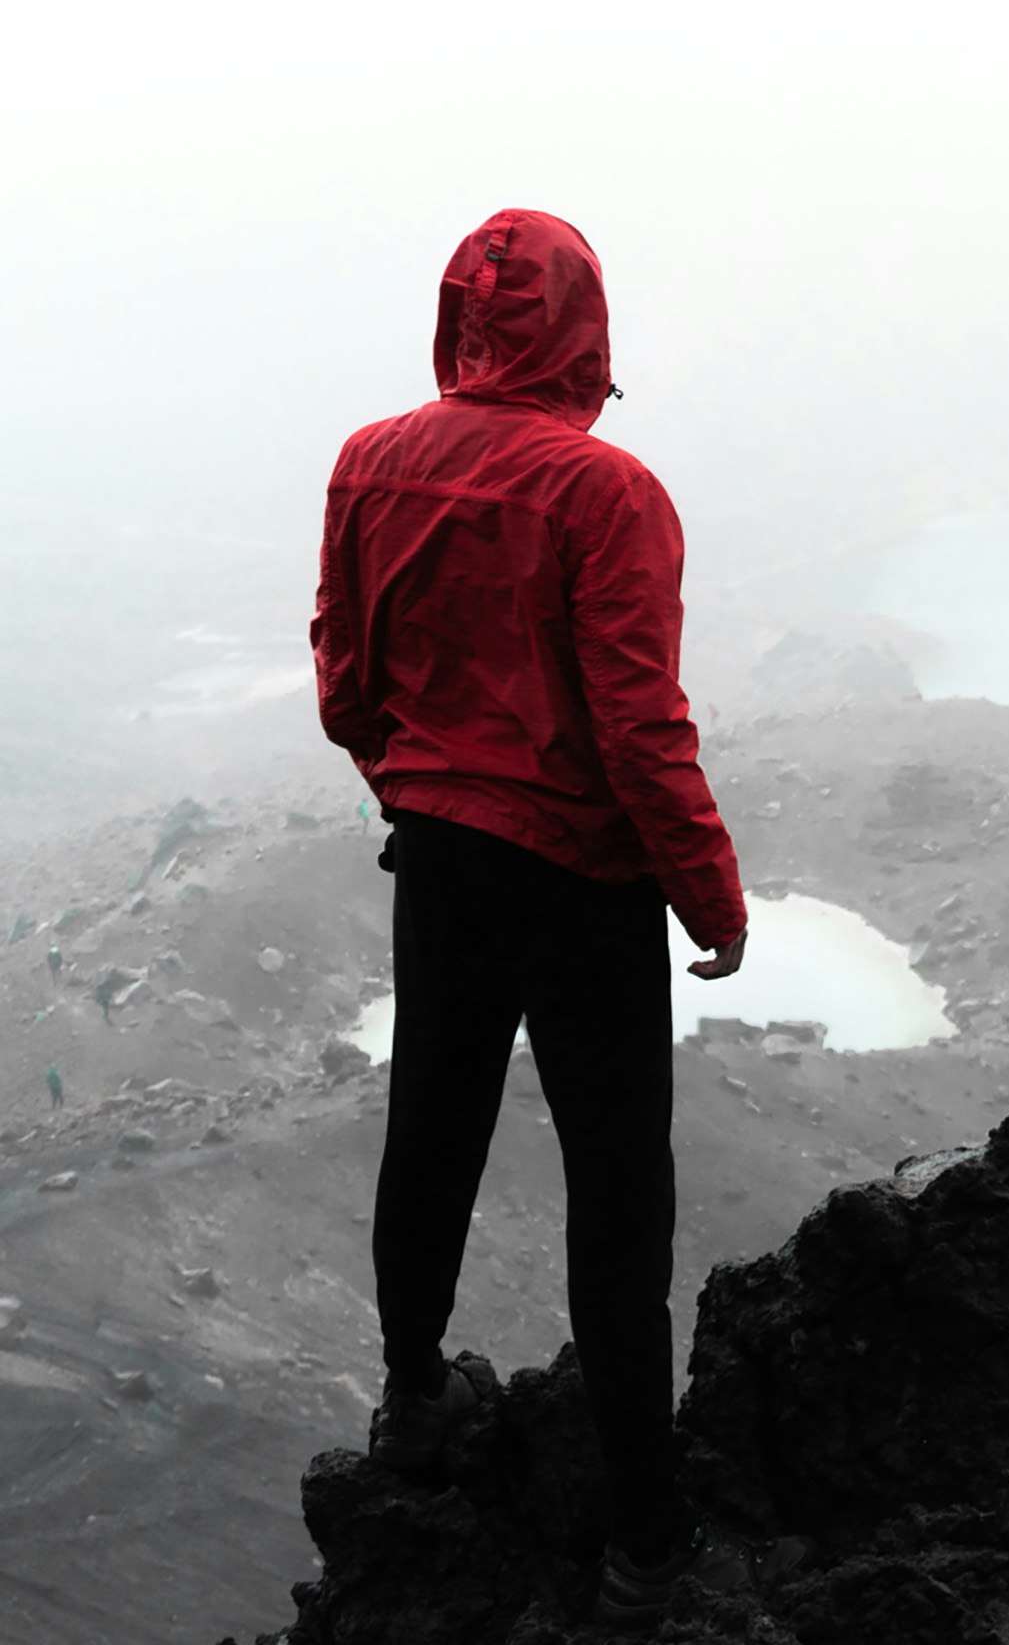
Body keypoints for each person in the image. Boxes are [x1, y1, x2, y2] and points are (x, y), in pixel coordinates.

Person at [312, 208, 750, 1628]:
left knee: (429, 1132)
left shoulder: (371, 463)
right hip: (584, 882)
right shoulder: (607, 494)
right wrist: (708, 891)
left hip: (439, 856)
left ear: (458, 319)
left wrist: (415, 780)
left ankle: (412, 1402)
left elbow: (343, 677)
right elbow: (636, 722)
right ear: (586, 327)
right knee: (620, 1195)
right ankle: (645, 1544)